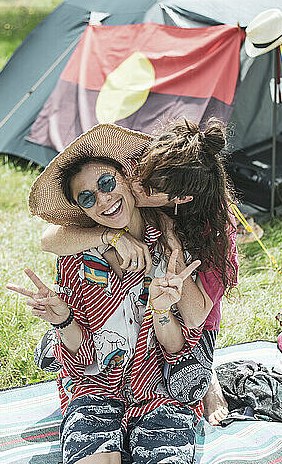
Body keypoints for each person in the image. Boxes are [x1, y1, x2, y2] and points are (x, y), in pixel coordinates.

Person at [7, 123, 207, 464]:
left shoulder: (168, 240)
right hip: (97, 387)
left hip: (157, 389)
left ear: (125, 178)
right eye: (87, 197)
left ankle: (141, 436)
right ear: (81, 210)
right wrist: (62, 320)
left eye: (106, 182)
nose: (103, 199)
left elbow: (181, 344)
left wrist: (163, 311)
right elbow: (81, 362)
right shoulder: (78, 255)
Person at [41, 118, 239, 425]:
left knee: (186, 382)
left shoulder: (214, 227)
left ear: (180, 199)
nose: (134, 184)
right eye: (137, 171)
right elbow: (49, 239)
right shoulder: (135, 177)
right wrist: (111, 237)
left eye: (147, 186)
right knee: (88, 328)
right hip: (132, 310)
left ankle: (209, 371)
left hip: (194, 314)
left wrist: (172, 245)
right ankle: (63, 336)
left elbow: (196, 315)